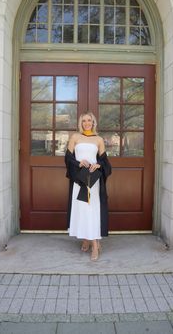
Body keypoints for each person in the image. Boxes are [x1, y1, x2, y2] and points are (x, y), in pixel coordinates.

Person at [65, 112, 111, 261]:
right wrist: (78, 163)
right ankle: (85, 238)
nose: (86, 123)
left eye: (89, 120)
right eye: (84, 121)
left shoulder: (98, 139)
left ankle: (95, 245)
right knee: (82, 210)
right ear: (81, 123)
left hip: (93, 181)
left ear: (93, 122)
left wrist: (99, 164)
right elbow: (68, 158)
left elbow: (105, 163)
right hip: (79, 180)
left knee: (91, 211)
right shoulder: (75, 137)